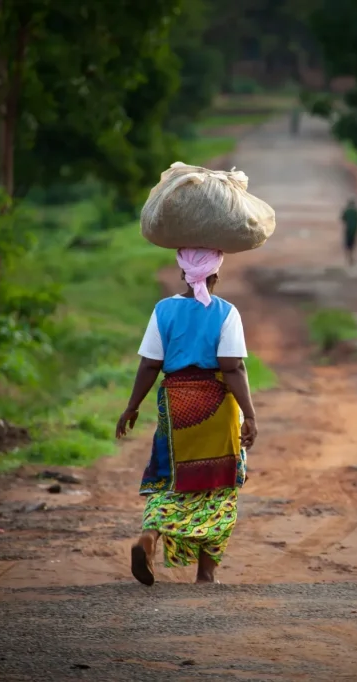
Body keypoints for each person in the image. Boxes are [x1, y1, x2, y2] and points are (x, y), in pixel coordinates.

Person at [116, 247, 257, 586]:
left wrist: (132, 406)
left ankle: (150, 535)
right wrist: (250, 415)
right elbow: (233, 367)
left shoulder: (163, 310)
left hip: (175, 405)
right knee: (219, 486)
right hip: (218, 408)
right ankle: (206, 574)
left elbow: (150, 364)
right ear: (216, 273)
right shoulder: (226, 312)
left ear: (182, 273)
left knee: (169, 477)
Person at [340, 198, 357, 266]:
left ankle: (347, 256)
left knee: (347, 242)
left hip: (348, 229)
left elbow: (342, 219)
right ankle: (351, 256)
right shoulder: (356, 211)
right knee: (353, 242)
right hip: (355, 229)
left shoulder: (346, 210)